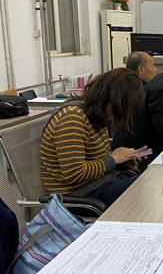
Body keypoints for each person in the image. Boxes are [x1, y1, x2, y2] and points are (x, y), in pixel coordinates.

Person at [41, 68, 147, 206]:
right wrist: (113, 159)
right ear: (108, 98)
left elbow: (95, 160)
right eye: (119, 108)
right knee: (145, 187)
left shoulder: (96, 116)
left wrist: (122, 160)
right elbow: (74, 174)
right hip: (76, 198)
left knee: (147, 180)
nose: (116, 116)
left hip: (96, 184)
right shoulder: (72, 118)